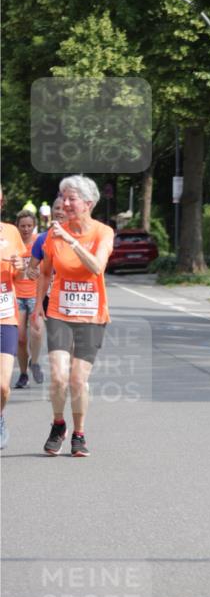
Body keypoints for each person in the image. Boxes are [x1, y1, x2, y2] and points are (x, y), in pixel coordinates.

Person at [33, 176, 114, 457]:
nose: (65, 204)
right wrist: (36, 307)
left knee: (78, 380)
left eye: (71, 199)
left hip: (92, 316)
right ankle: (58, 424)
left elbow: (97, 267)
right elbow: (44, 272)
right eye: (63, 198)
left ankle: (79, 433)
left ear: (88, 203)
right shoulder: (52, 236)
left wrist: (72, 240)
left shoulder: (103, 233)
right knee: (57, 377)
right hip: (59, 312)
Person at [0, 186, 28, 449]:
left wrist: (20, 267)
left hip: (5, 316)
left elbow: (22, 274)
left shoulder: (10, 232)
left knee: (3, 386)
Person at [13, 209, 43, 387]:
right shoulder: (12, 244)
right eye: (23, 226)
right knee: (21, 339)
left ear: (34, 226)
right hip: (16, 296)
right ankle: (23, 374)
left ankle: (35, 362)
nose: (26, 229)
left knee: (37, 330)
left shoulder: (38, 243)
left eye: (29, 226)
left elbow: (47, 271)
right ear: (17, 227)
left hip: (34, 294)